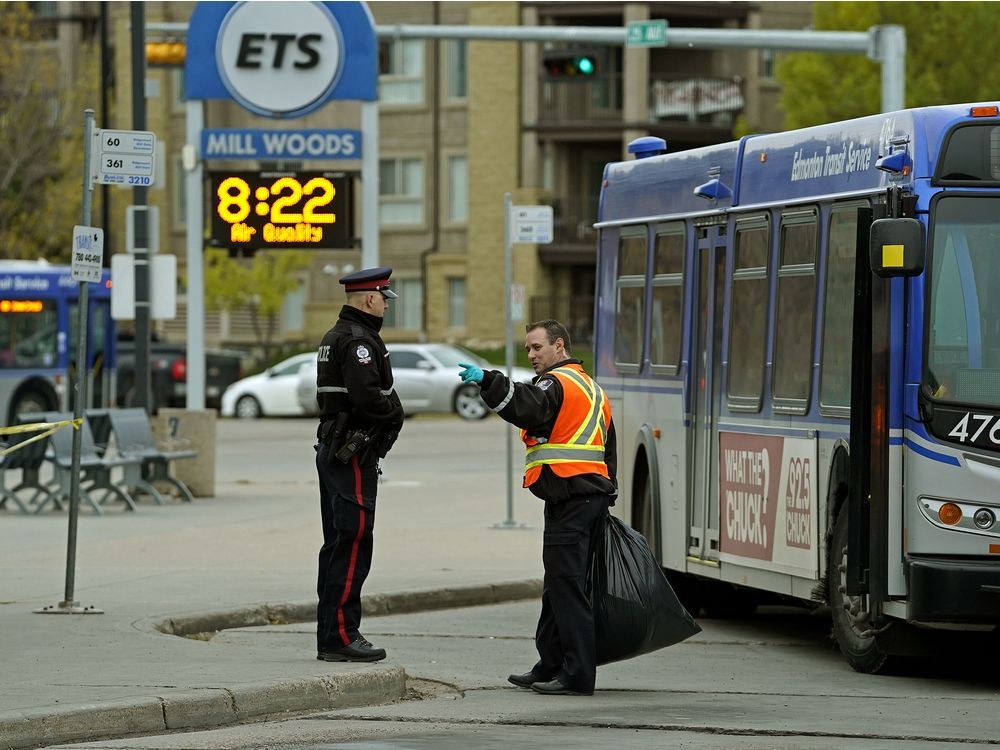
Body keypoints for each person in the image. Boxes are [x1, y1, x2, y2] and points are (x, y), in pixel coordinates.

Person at [458, 319, 617, 696]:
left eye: (536, 347)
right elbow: (607, 451)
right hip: (585, 498)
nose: (531, 355)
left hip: (573, 498)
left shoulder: (556, 382)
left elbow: (529, 407)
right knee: (558, 586)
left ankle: (577, 675)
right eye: (528, 349)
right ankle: (550, 665)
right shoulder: (591, 388)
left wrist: (489, 380)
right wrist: (606, 497)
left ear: (559, 346)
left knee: (566, 587)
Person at [314, 266, 404, 662]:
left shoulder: (339, 335)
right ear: (369, 298)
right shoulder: (358, 342)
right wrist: (395, 415)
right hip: (351, 452)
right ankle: (342, 635)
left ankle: (334, 634)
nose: (386, 303)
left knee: (339, 542)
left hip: (339, 451)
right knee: (352, 542)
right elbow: (369, 399)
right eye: (384, 297)